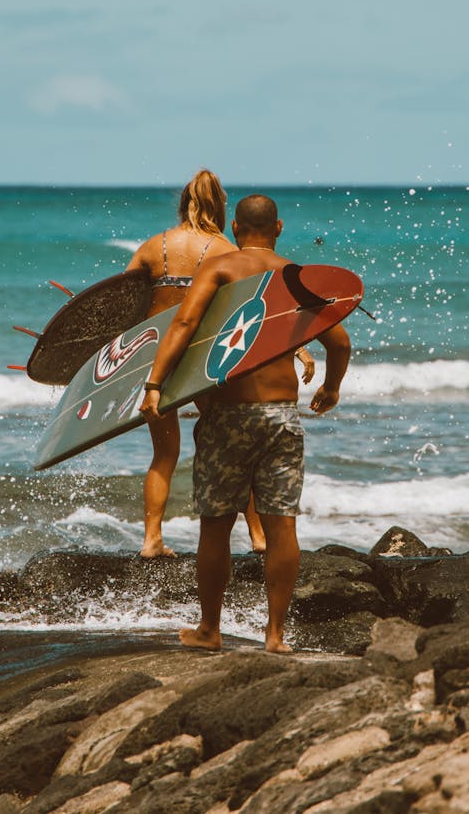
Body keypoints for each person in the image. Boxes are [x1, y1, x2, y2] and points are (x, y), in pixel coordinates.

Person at [139, 194, 351, 654]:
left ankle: (210, 631)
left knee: (215, 525)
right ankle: (276, 637)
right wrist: (331, 388)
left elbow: (183, 324)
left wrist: (155, 382)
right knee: (282, 526)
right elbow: (340, 341)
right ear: (278, 228)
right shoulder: (296, 277)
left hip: (226, 416)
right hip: (282, 416)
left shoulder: (220, 270)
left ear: (234, 229)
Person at [126, 171, 314, 559]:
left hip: (157, 359)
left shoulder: (151, 246)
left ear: (183, 204)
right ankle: (258, 536)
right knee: (234, 448)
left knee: (164, 454)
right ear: (223, 209)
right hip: (202, 361)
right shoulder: (224, 250)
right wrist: (298, 349)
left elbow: (122, 305)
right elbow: (255, 311)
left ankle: (151, 540)